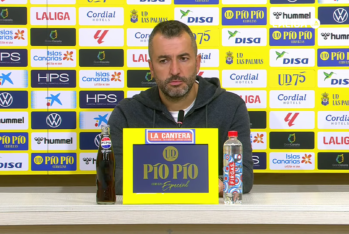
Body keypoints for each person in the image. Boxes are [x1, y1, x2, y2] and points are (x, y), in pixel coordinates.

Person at [108, 20, 254, 195]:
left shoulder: (231, 107)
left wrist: (158, 183)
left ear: (198, 63)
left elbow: (242, 176)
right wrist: (200, 183)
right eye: (164, 60)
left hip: (210, 218)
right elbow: (113, 178)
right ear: (151, 68)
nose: (175, 70)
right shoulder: (127, 113)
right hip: (147, 218)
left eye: (183, 59)